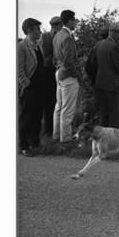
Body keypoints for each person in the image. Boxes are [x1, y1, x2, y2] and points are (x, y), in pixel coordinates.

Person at [85, 24, 119, 127]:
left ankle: (102, 139)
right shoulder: (114, 47)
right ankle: (113, 140)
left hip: (99, 84)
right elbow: (118, 67)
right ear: (115, 33)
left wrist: (94, 80)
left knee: (103, 113)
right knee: (113, 114)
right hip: (112, 85)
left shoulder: (98, 45)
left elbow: (91, 65)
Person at [17, 18, 45, 156]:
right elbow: (19, 67)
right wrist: (24, 82)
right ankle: (24, 146)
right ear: (29, 30)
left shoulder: (37, 45)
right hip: (29, 87)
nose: (39, 32)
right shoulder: (22, 46)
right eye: (37, 29)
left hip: (39, 86)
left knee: (37, 116)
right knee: (26, 116)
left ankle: (35, 142)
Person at [52, 9, 80, 143]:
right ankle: (66, 139)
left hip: (59, 72)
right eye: (74, 20)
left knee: (59, 107)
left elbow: (56, 57)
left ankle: (56, 136)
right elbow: (69, 60)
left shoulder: (57, 35)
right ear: (69, 21)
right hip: (68, 74)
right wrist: (76, 74)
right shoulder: (68, 37)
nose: (75, 23)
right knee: (67, 109)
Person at [40, 16, 62, 136]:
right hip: (48, 72)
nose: (58, 28)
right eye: (57, 26)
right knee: (49, 102)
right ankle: (48, 129)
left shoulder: (53, 37)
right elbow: (42, 56)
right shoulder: (45, 37)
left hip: (54, 72)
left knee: (56, 102)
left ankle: (53, 129)